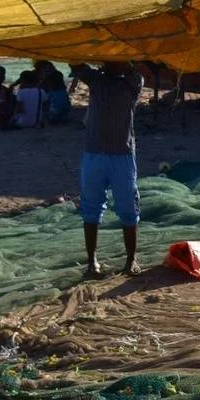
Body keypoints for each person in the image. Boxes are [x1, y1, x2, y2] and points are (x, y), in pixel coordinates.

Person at [69, 62, 145, 277]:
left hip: (122, 154)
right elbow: (75, 62)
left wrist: (121, 60)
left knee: (128, 207)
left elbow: (132, 73)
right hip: (94, 154)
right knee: (91, 207)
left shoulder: (133, 82)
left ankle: (131, 259)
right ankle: (92, 261)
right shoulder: (96, 80)